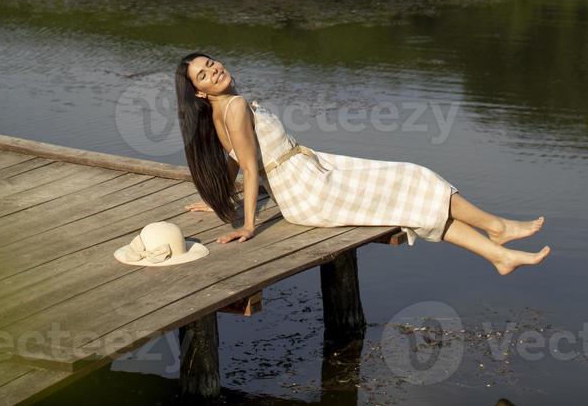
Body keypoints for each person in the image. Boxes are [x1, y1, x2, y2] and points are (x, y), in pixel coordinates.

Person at [174, 52, 550, 275]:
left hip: (309, 174)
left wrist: (218, 200)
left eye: (211, 63)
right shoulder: (236, 106)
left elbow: (234, 160)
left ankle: (497, 254)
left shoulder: (222, 109)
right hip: (308, 191)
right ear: (199, 91)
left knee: (412, 197)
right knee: (415, 177)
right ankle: (496, 227)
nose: (214, 71)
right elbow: (251, 168)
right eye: (203, 74)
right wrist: (250, 225)